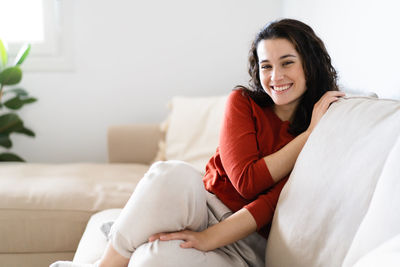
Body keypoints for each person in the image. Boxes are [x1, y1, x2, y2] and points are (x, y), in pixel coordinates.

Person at [51, 18, 345, 267]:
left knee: (153, 258)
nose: (275, 76)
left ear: (310, 64)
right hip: (203, 207)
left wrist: (208, 241)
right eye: (266, 66)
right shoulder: (243, 102)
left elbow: (266, 202)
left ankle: (127, 235)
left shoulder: (323, 127)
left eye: (287, 63)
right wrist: (308, 137)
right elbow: (246, 180)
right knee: (170, 173)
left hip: (246, 242)